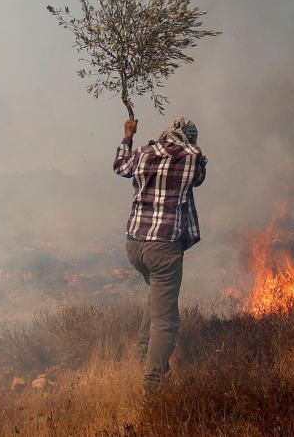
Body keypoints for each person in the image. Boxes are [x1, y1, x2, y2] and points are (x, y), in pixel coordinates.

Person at [114, 116, 207, 393]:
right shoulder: (192, 155)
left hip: (135, 244)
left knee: (157, 296)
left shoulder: (144, 152)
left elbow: (120, 167)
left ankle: (142, 354)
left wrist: (128, 135)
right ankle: (154, 385)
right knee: (166, 320)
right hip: (164, 246)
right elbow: (199, 179)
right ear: (190, 137)